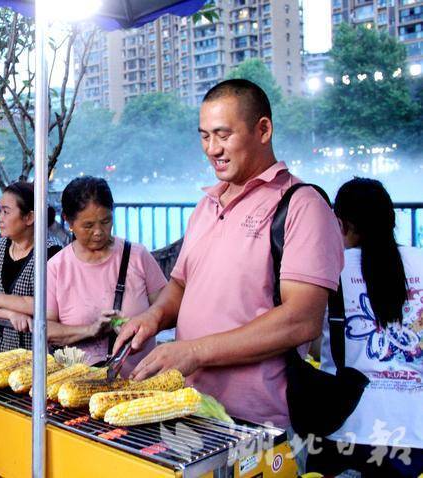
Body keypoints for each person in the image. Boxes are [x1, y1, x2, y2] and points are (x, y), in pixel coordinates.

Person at [114, 79, 344, 437]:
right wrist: (153, 316)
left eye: (223, 134)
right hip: (189, 405)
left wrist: (195, 352)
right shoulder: (206, 206)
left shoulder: (301, 206)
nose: (212, 149)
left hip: (258, 421)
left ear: (263, 129)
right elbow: (181, 284)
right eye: (204, 136)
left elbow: (302, 320)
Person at [307, 178, 423, 475]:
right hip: (414, 432)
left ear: (340, 223)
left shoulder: (330, 267)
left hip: (344, 430)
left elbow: (311, 341)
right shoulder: (420, 261)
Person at [47, 177, 167, 371]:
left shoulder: (137, 256)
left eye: (105, 221)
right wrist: (91, 330)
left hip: (140, 381)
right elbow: (46, 330)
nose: (98, 232)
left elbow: (167, 309)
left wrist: (139, 325)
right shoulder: (56, 267)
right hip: (79, 386)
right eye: (88, 226)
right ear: (69, 221)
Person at [0, 181, 62, 350]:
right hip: (3, 352)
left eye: (6, 212)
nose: (0, 218)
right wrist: (11, 314)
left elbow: (49, 307)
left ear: (29, 217)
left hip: (42, 356)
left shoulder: (51, 252)